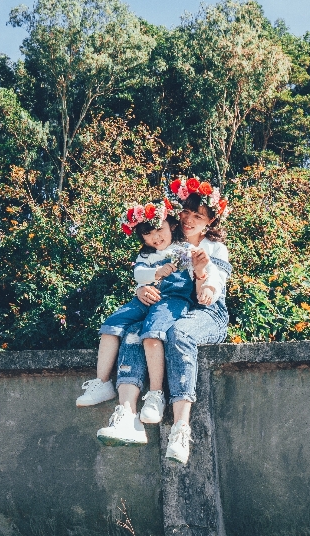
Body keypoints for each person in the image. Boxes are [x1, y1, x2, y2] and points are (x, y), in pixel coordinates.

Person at [97, 177, 231, 464]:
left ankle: (181, 429)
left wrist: (206, 285)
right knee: (134, 329)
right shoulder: (169, 240)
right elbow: (151, 273)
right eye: (186, 212)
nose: (189, 219)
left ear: (209, 223)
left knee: (180, 333)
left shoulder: (213, 248)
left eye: (198, 216)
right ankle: (128, 415)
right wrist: (142, 289)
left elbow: (213, 284)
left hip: (206, 313)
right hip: (169, 308)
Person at [78, 199, 199, 445]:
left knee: (151, 332)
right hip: (147, 296)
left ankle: (155, 393)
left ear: (171, 225)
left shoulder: (183, 248)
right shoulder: (145, 255)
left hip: (173, 299)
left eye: (160, 230)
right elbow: (138, 275)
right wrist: (153, 275)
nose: (156, 237)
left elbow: (196, 274)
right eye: (148, 234)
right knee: (112, 325)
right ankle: (102, 382)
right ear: (141, 238)